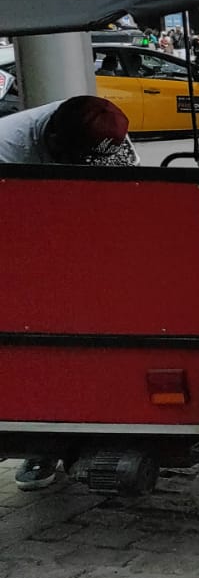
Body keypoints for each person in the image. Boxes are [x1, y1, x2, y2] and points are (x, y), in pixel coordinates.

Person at [0, 97, 138, 490]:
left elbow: (128, 197)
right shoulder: (9, 146)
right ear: (57, 143)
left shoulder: (110, 136)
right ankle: (41, 446)